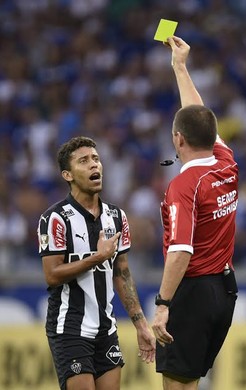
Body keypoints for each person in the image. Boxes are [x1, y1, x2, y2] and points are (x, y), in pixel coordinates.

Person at [152, 36, 239, 390]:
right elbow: (199, 117)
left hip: (191, 294)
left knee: (178, 385)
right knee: (192, 383)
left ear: (177, 140)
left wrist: (162, 304)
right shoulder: (225, 162)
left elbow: (181, 251)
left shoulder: (185, 185)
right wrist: (180, 67)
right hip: (224, 291)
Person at [37, 136, 155, 390]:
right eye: (84, 161)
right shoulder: (55, 218)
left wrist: (141, 325)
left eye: (96, 159)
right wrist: (98, 257)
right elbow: (52, 275)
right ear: (67, 175)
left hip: (105, 327)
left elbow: (122, 272)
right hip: (70, 328)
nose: (94, 165)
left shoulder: (116, 216)